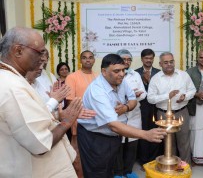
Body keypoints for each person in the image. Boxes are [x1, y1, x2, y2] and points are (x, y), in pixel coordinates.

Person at [0, 27, 83, 177]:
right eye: (40, 52)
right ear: (18, 51)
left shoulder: (13, 79)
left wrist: (56, 117)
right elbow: (41, 143)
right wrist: (66, 122)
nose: (43, 58)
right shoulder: (13, 88)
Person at [77, 54, 167, 178]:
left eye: (123, 70)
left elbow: (133, 100)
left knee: (111, 171)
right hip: (96, 138)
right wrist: (145, 134)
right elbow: (113, 125)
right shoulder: (97, 91)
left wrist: (126, 107)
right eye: (116, 71)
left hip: (114, 136)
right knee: (98, 172)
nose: (122, 74)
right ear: (104, 71)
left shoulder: (120, 81)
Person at [147, 52, 196, 165]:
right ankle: (171, 168)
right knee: (168, 143)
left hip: (181, 112)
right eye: (166, 62)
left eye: (171, 61)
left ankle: (185, 168)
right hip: (163, 115)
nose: (169, 64)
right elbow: (150, 98)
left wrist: (185, 97)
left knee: (184, 142)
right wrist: (167, 96)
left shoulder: (183, 75)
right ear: (160, 64)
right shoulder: (155, 78)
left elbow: (192, 90)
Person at [114, 49, 147, 178]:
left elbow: (144, 94)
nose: (127, 62)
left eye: (129, 60)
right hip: (119, 113)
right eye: (124, 59)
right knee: (119, 143)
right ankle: (118, 172)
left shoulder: (135, 75)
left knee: (132, 143)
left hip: (134, 114)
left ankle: (128, 171)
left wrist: (135, 95)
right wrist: (129, 96)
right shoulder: (114, 74)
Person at [65, 50, 97, 178]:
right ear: (80, 60)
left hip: (97, 120)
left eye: (90, 58)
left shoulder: (99, 76)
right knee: (79, 155)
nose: (87, 60)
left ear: (94, 60)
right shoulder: (72, 77)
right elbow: (69, 101)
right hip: (80, 120)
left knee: (94, 153)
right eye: (84, 58)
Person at [135, 48, 161, 166]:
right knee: (144, 131)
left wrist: (149, 81)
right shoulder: (135, 73)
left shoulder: (159, 72)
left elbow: (161, 90)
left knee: (156, 131)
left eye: (151, 58)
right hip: (142, 107)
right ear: (142, 59)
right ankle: (143, 160)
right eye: (146, 58)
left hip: (157, 106)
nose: (148, 60)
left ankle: (154, 159)